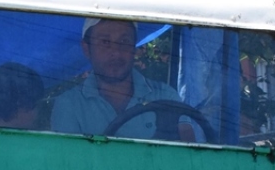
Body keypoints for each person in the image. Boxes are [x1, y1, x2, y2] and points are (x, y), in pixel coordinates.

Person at [50, 18, 181, 139]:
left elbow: (186, 148)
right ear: (86, 49)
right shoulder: (69, 105)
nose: (116, 52)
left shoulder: (165, 96)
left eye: (124, 41)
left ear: (134, 47)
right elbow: (67, 156)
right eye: (105, 42)